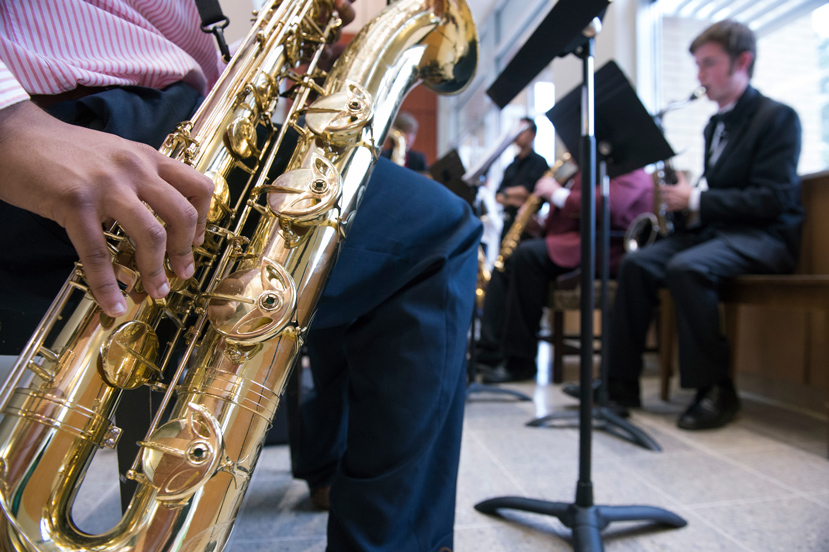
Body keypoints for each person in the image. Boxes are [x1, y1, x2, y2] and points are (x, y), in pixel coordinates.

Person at [0, 2, 482, 551]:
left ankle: (321, 466)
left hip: (174, 126)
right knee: (436, 237)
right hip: (72, 130)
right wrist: (9, 126)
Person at [575, 20, 802, 431]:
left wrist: (696, 198)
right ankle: (619, 385)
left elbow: (775, 199)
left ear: (743, 61)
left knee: (688, 268)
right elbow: (719, 196)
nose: (700, 76)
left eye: (709, 64)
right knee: (637, 264)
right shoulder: (715, 124)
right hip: (723, 232)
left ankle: (715, 389)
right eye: (697, 65)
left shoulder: (778, 117)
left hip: (767, 237)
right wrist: (681, 204)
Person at [475, 165, 654, 383]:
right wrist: (539, 227)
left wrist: (555, 193)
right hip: (575, 243)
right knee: (509, 261)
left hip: (603, 248)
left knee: (528, 256)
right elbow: (568, 217)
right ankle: (490, 351)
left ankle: (520, 360)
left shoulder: (632, 172)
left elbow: (605, 206)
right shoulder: (584, 170)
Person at [494, 117, 549, 240]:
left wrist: (507, 194)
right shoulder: (511, 165)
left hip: (528, 225)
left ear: (532, 135)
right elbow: (498, 196)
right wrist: (516, 199)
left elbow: (527, 192)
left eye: (523, 130)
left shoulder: (539, 163)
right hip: (508, 223)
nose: (518, 134)